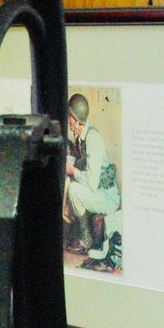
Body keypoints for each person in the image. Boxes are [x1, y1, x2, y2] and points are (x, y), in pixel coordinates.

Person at [63, 93, 121, 254]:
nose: (68, 121)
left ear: (76, 119)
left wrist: (72, 170)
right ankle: (83, 237)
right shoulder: (82, 137)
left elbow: (92, 183)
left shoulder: (92, 138)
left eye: (69, 117)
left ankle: (86, 240)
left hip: (108, 197)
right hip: (99, 193)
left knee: (74, 190)